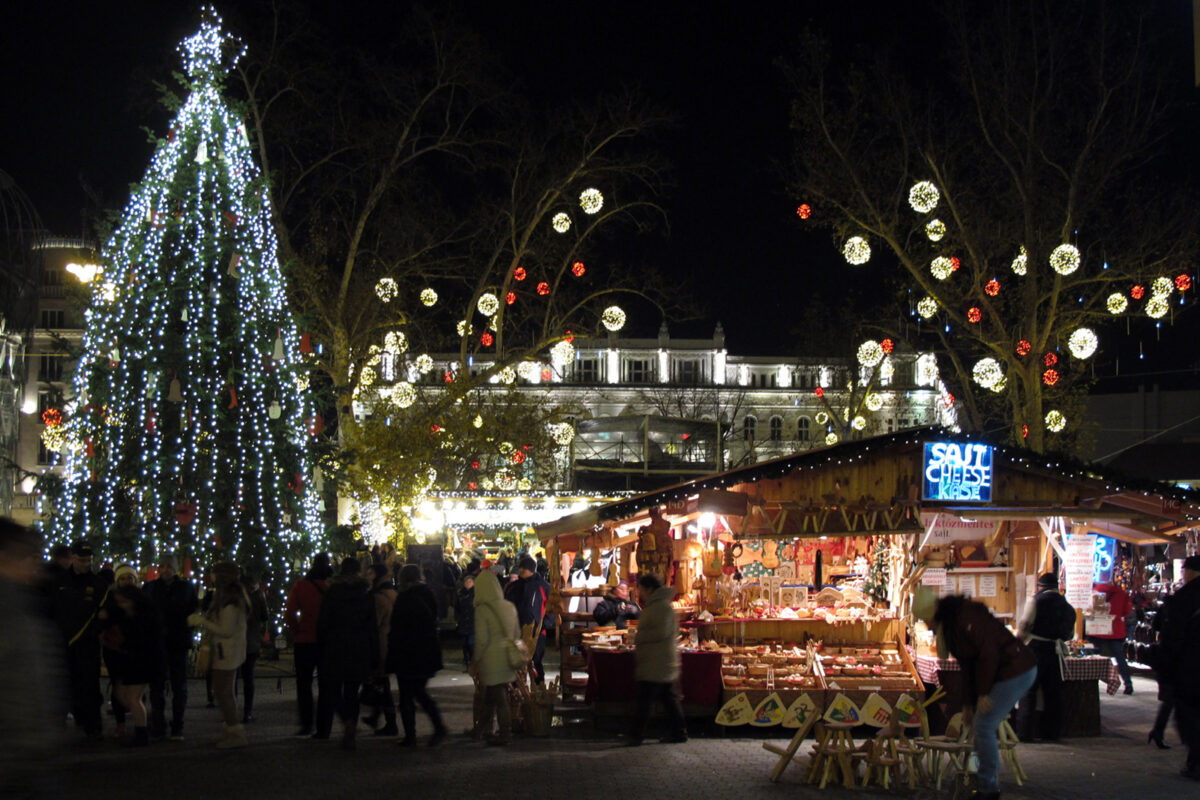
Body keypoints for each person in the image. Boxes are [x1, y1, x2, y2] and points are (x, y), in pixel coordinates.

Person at [914, 587, 1036, 800]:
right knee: (981, 725)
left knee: (984, 725)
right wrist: (968, 705)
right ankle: (985, 783)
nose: (928, 626)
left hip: (1016, 669)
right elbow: (967, 665)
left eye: (927, 620)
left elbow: (987, 655)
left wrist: (982, 694)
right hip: (1010, 669)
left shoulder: (963, 619)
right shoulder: (954, 624)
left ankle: (988, 788)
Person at [0, 519, 65, 797]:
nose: (37, 569)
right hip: (18, 759)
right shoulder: (10, 610)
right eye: (30, 558)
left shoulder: (20, 603)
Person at [316, 557, 377, 750]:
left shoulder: (333, 592)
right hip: (359, 646)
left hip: (336, 645)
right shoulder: (365, 593)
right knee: (352, 691)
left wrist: (322, 643)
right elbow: (371, 626)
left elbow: (323, 621)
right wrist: (373, 652)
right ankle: (351, 724)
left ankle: (347, 721)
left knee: (333, 689)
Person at [188, 562, 248, 749]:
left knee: (223, 691)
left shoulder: (230, 603)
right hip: (226, 650)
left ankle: (235, 731)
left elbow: (226, 629)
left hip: (227, 652)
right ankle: (230, 729)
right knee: (223, 691)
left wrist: (202, 622)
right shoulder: (228, 598)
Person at [52, 539, 109, 740]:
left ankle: (92, 726)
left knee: (90, 685)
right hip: (64, 642)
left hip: (87, 644)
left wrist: (95, 630)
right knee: (63, 684)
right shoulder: (60, 582)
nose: (86, 564)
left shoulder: (98, 584)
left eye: (89, 560)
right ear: (73, 559)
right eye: (82, 560)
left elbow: (103, 614)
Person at [388, 564, 447, 747]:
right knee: (415, 692)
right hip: (426, 651)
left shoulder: (404, 598)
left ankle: (415, 733)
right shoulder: (427, 594)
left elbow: (397, 628)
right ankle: (430, 729)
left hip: (408, 652)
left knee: (410, 694)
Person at [143, 553, 198, 740]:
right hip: (157, 643)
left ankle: (177, 725)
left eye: (169, 566)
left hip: (177, 643)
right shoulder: (150, 588)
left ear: (176, 569)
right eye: (163, 566)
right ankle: (158, 724)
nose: (165, 570)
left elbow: (190, 612)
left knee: (178, 686)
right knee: (156, 686)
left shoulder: (185, 588)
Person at [1016, 573, 1076, 741]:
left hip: (1034, 650)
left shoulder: (1035, 601)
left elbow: (1024, 624)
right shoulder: (1067, 606)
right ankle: (1051, 733)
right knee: (1053, 695)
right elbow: (1069, 634)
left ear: (1040, 586)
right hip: (1054, 651)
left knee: (1028, 692)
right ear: (1056, 587)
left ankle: (1025, 733)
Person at [629, 574, 687, 745]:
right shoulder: (658, 606)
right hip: (658, 660)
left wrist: (640, 637)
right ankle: (678, 732)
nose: (639, 592)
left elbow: (661, 632)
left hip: (657, 661)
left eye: (640, 588)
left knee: (647, 700)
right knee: (667, 699)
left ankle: (637, 735)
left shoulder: (661, 607)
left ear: (648, 589)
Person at [108, 584, 164, 747]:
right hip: (136, 659)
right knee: (122, 694)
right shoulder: (135, 614)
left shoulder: (142, 617)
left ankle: (142, 731)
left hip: (140, 660)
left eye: (123, 602)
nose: (121, 605)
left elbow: (141, 641)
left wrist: (123, 645)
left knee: (132, 697)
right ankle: (144, 722)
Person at [1159, 554, 1200, 780]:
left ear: (1189, 572)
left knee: (1188, 718)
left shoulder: (1183, 599)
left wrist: (1166, 672)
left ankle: (1196, 760)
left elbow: (1172, 640)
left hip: (1189, 670)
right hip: (1189, 668)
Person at [285, 552, 332, 736]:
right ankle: (324, 727)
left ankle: (306, 723)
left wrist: (297, 630)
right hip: (326, 641)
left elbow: (290, 613)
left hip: (304, 640)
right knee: (326, 685)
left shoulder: (301, 585)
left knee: (304, 684)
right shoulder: (331, 587)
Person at [473, 569, 520, 745]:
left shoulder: (483, 610)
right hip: (507, 658)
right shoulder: (509, 606)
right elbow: (516, 633)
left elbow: (481, 640)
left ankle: (503, 735)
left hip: (491, 660)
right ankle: (480, 731)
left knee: (498, 698)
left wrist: (476, 660)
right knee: (491, 697)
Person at [98, 563, 139, 739]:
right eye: (123, 578)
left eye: (130, 577)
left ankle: (139, 723)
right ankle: (120, 723)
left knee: (136, 687)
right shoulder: (110, 598)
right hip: (114, 647)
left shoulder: (141, 599)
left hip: (135, 649)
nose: (126, 581)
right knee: (117, 685)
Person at [362, 563, 399, 736]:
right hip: (390, 642)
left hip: (380, 644)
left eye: (370, 572)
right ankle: (377, 717)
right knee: (381, 683)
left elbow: (373, 624)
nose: (368, 575)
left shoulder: (378, 597)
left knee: (381, 684)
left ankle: (389, 722)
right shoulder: (392, 593)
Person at [1087, 580, 1134, 694]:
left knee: (1091, 657)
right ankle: (1128, 684)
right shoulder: (1122, 593)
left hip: (1097, 629)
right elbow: (1126, 612)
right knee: (1120, 658)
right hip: (1115, 630)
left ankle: (1090, 684)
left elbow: (1088, 610)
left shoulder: (1094, 591)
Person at [512, 554, 550, 684]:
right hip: (518, 631)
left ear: (531, 569)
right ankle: (517, 691)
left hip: (537, 633)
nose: (521, 570)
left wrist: (543, 625)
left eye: (524, 568)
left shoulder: (543, 586)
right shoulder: (515, 586)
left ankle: (539, 689)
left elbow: (551, 607)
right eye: (520, 567)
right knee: (517, 663)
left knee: (536, 661)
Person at [240, 571, 269, 724]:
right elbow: (265, 615)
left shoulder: (236, 593)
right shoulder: (258, 594)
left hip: (236, 639)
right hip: (252, 638)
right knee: (248, 676)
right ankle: (247, 711)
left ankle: (231, 708)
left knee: (232, 676)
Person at [457, 567, 478, 669]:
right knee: (465, 644)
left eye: (470, 581)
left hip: (473, 622)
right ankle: (467, 662)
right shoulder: (461, 593)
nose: (467, 583)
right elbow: (457, 607)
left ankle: (473, 663)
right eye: (466, 581)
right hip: (464, 622)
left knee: (471, 644)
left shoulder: (476, 594)